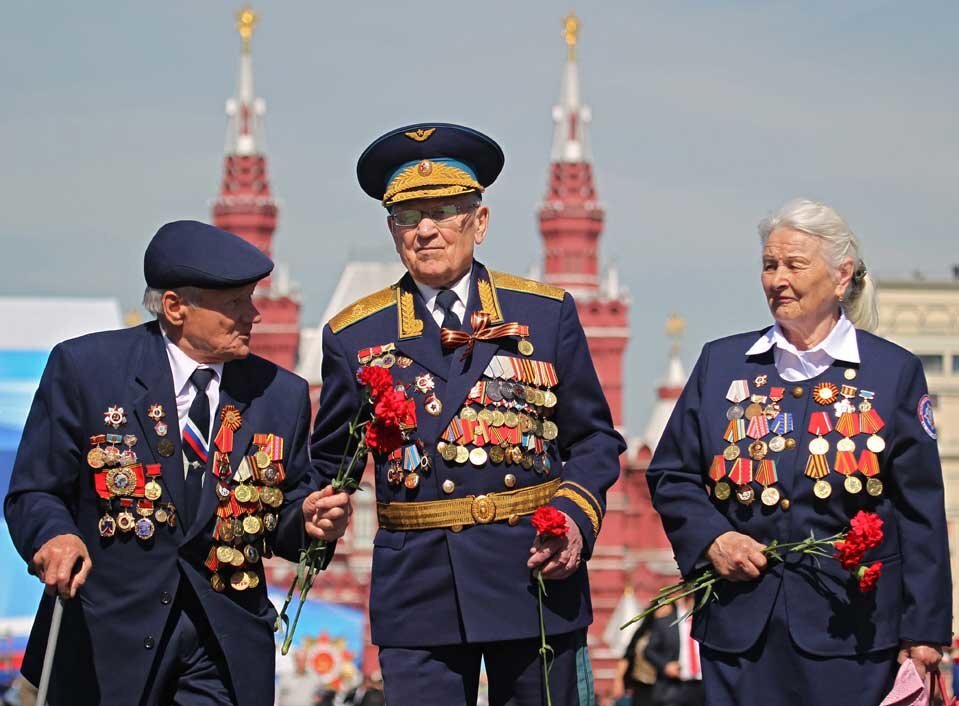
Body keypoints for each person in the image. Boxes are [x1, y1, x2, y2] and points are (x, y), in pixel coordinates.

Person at [310, 122, 625, 706]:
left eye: (446, 210)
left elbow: (594, 441)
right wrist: (311, 513)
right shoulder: (355, 335)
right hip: (419, 590)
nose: (425, 230)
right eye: (408, 216)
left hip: (531, 575)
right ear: (391, 229)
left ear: (479, 223)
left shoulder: (544, 314)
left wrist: (574, 519)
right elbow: (327, 464)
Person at [5, 221, 352, 706]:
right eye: (234, 303)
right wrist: (53, 536)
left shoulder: (282, 394)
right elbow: (34, 491)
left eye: (251, 298)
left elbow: (284, 520)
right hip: (107, 640)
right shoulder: (87, 370)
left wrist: (313, 522)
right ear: (175, 307)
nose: (252, 314)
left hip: (223, 647)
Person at [646, 198, 951, 705]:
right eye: (769, 265)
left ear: (841, 276)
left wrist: (924, 630)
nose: (777, 280)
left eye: (794, 265)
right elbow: (671, 474)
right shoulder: (722, 365)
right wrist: (713, 538)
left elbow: (920, 510)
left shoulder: (891, 373)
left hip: (852, 632)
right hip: (739, 629)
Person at [642, 597, 703, 706]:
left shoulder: (708, 621)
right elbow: (649, 651)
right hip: (674, 687)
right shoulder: (665, 622)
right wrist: (665, 665)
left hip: (703, 686)